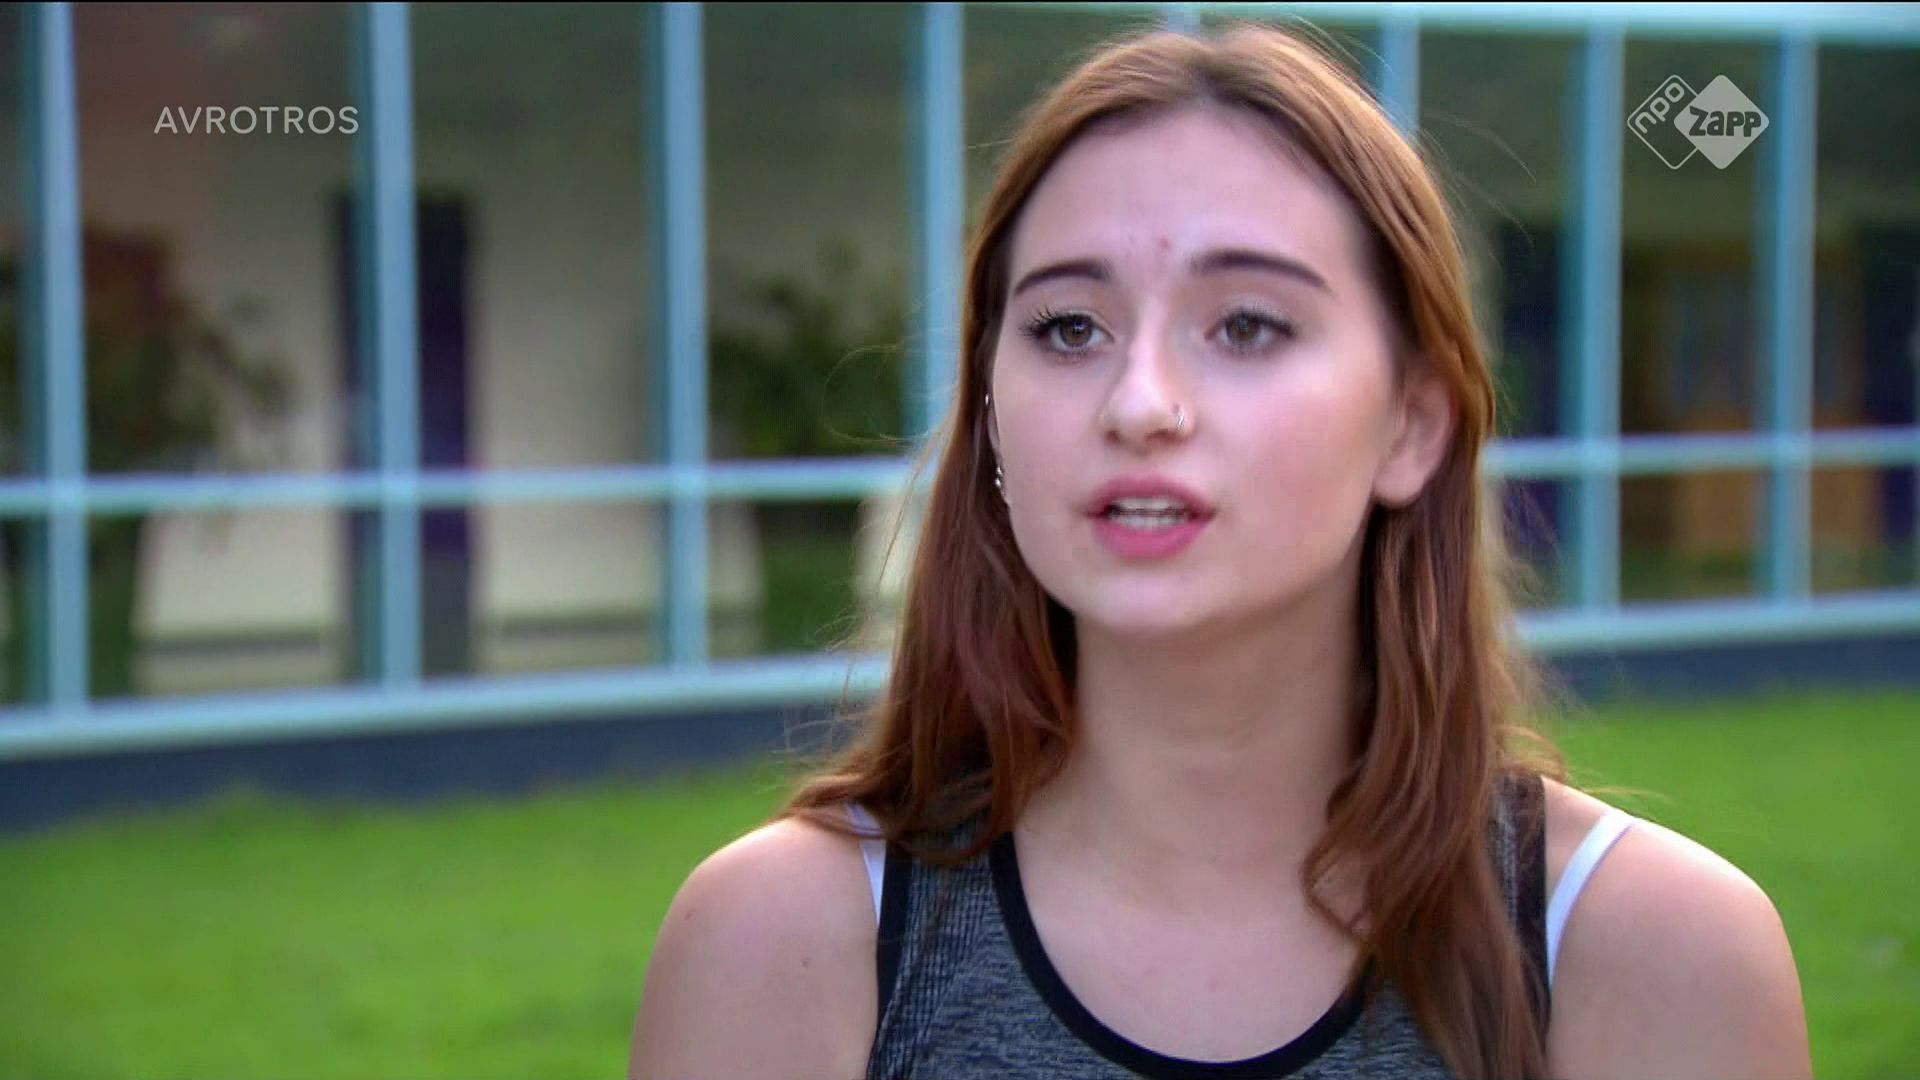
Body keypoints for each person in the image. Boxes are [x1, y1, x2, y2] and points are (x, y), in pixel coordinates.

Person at [629, 21, 1812, 1080]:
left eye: (1247, 324)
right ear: (990, 412)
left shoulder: (1655, 954)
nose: (1140, 403)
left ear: (1412, 424)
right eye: (1068, 327)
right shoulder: (780, 944)